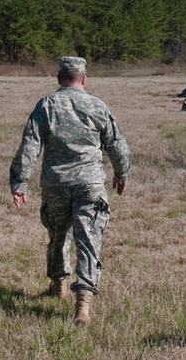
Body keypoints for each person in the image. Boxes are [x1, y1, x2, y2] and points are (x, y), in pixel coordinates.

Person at [9, 57, 130, 325]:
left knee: (57, 236)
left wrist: (19, 182)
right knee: (88, 241)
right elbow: (118, 146)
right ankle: (82, 306)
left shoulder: (47, 105)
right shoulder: (97, 106)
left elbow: (29, 145)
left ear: (58, 78)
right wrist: (121, 174)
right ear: (84, 78)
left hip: (56, 184)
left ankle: (59, 285)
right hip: (90, 185)